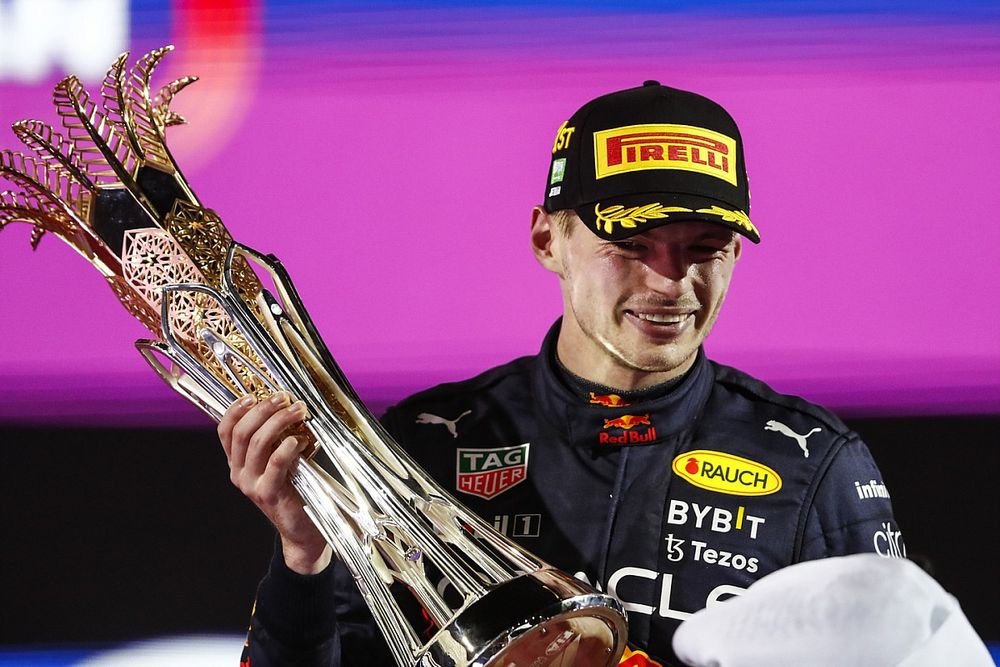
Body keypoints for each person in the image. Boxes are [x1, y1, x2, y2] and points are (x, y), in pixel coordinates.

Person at [219, 81, 904, 667]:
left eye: (705, 247)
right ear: (548, 238)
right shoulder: (423, 448)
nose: (671, 283)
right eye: (631, 245)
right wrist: (302, 551)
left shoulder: (815, 468)